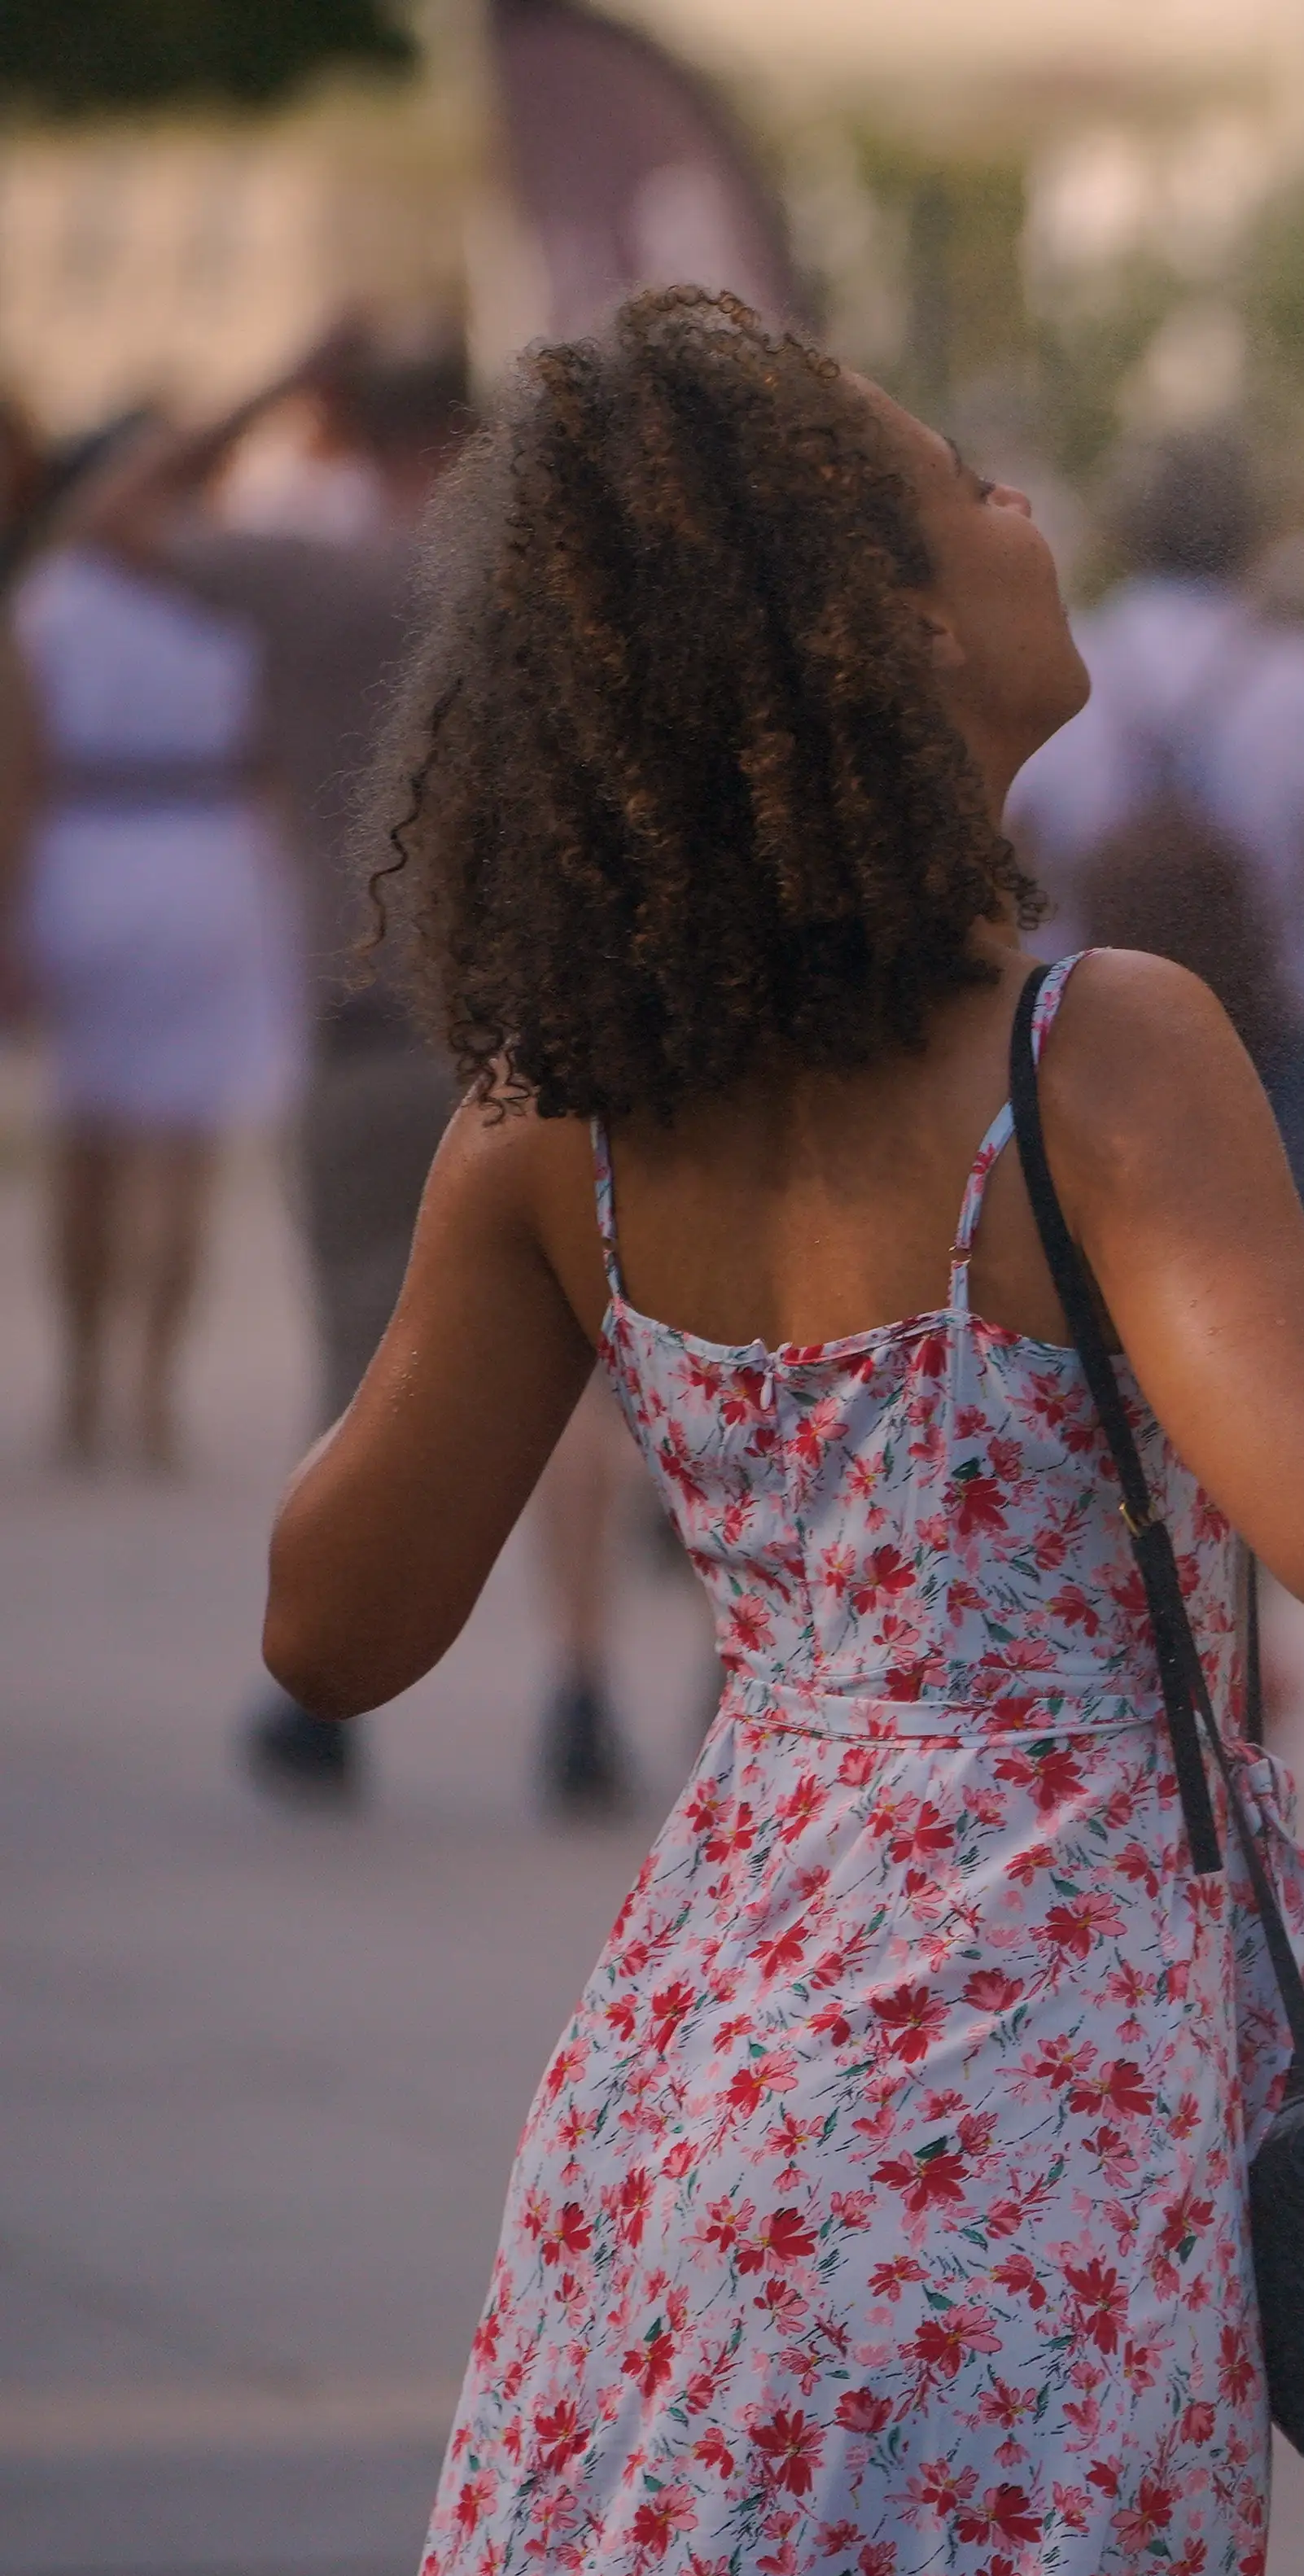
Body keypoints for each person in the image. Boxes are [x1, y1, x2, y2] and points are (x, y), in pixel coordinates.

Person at [257, 289, 1304, 2576]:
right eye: (969, 490)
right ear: (872, 641)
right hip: (1024, 2089)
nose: (1027, 513)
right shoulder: (1100, 1055)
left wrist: (513, 1202)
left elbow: (329, 1626)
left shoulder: (556, 1124)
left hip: (684, 2082)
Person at [75, 325, 650, 1809]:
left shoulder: (312, 579)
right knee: (580, 1377)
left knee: (357, 1347)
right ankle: (581, 1686)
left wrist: (269, 381)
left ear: (356, 439)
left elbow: (106, 516)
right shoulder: (567, 603)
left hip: (373, 1027)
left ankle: (324, 1697)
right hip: (555, 1037)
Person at [1009, 429, 1304, 1229]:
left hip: (1091, 1042)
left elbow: (1012, 871)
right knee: (1285, 1311)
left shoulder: (1065, 664)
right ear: (1251, 531)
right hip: (1269, 1043)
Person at [5, 439, 304, 1471]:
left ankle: (88, 1373)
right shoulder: (226, 598)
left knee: (86, 1141)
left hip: (82, 855)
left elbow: (21, 764)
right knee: (179, 1147)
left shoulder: (52, 603)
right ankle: (150, 1386)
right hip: (207, 855)